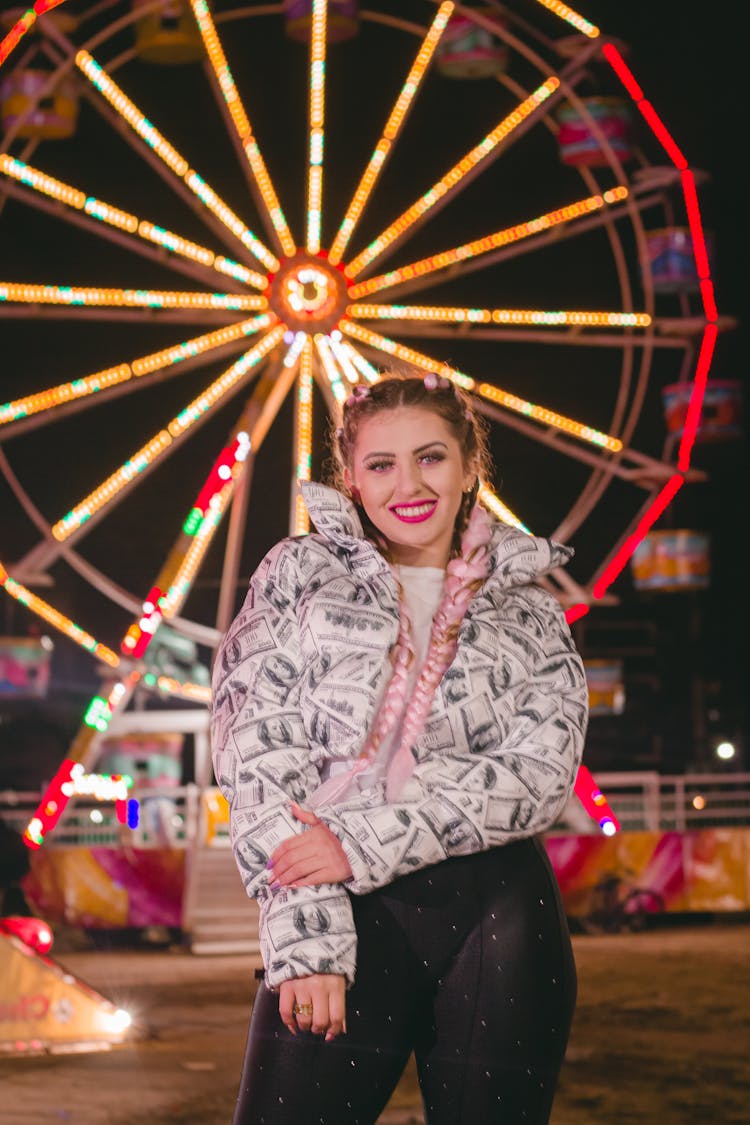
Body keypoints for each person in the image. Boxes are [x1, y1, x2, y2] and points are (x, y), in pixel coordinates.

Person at [210, 370, 589, 1124]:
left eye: (432, 457)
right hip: (336, 905)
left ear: (470, 465)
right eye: (381, 464)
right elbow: (258, 757)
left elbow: (540, 773)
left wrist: (357, 836)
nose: (408, 483)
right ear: (350, 478)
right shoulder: (297, 575)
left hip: (500, 913)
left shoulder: (533, 614)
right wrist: (307, 937)